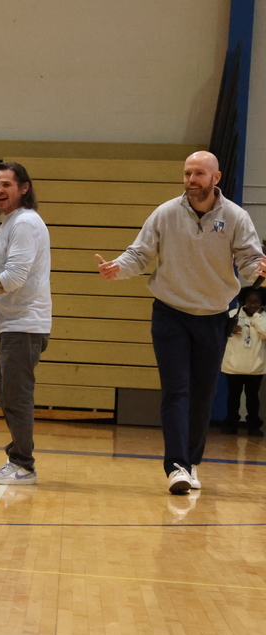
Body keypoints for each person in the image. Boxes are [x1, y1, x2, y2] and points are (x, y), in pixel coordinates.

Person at [97, 150, 266, 494]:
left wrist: (261, 273)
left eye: (199, 174)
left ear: (215, 178)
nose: (191, 180)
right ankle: (176, 466)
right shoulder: (165, 213)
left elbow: (250, 260)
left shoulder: (235, 217)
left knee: (203, 394)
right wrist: (119, 268)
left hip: (214, 315)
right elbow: (140, 253)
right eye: (187, 173)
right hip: (170, 312)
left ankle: (190, 462)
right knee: (177, 389)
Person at [0, 162, 50, 486]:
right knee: (8, 394)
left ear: (24, 188)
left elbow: (15, 277)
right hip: (13, 325)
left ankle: (23, 464)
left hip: (24, 325)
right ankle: (17, 458)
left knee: (16, 396)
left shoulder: (25, 222)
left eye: (6, 185)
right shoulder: (11, 222)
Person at [222, 287, 266, 437]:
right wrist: (231, 329)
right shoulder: (232, 315)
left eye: (257, 302)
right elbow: (221, 334)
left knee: (253, 398)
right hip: (233, 366)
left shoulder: (264, 317)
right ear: (244, 302)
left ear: (262, 303)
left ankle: (253, 425)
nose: (253, 305)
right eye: (250, 301)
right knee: (233, 397)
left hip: (255, 366)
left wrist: (256, 318)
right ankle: (230, 424)